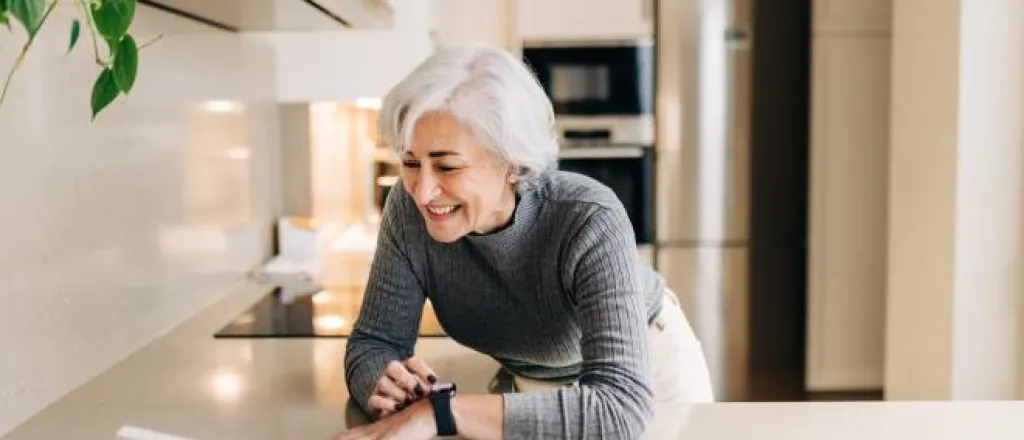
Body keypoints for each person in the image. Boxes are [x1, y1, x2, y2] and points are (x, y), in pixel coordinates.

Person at [332, 44, 714, 440]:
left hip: (650, 374)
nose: (423, 191)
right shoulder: (406, 209)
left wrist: (440, 413)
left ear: (510, 162)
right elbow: (375, 342)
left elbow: (618, 406)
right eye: (411, 162)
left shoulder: (588, 217)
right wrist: (380, 380)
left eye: (447, 166)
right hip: (531, 386)